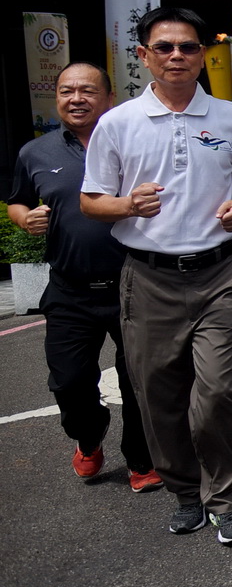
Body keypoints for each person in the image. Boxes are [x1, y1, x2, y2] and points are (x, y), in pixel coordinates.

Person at [81, 7, 232, 545]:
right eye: (163, 48)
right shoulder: (118, 123)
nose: (176, 57)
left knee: (216, 393)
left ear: (203, 55)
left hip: (216, 275)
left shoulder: (230, 116)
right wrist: (124, 205)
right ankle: (186, 491)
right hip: (149, 280)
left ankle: (228, 499)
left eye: (187, 48)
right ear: (143, 56)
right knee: (158, 396)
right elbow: (90, 201)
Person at [8, 63, 159, 492]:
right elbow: (16, 202)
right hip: (69, 290)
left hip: (134, 283)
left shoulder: (136, 143)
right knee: (70, 382)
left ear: (109, 98)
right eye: (66, 91)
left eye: (88, 91)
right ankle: (88, 437)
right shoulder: (35, 153)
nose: (77, 98)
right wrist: (24, 218)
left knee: (139, 381)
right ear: (56, 98)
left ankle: (142, 459)